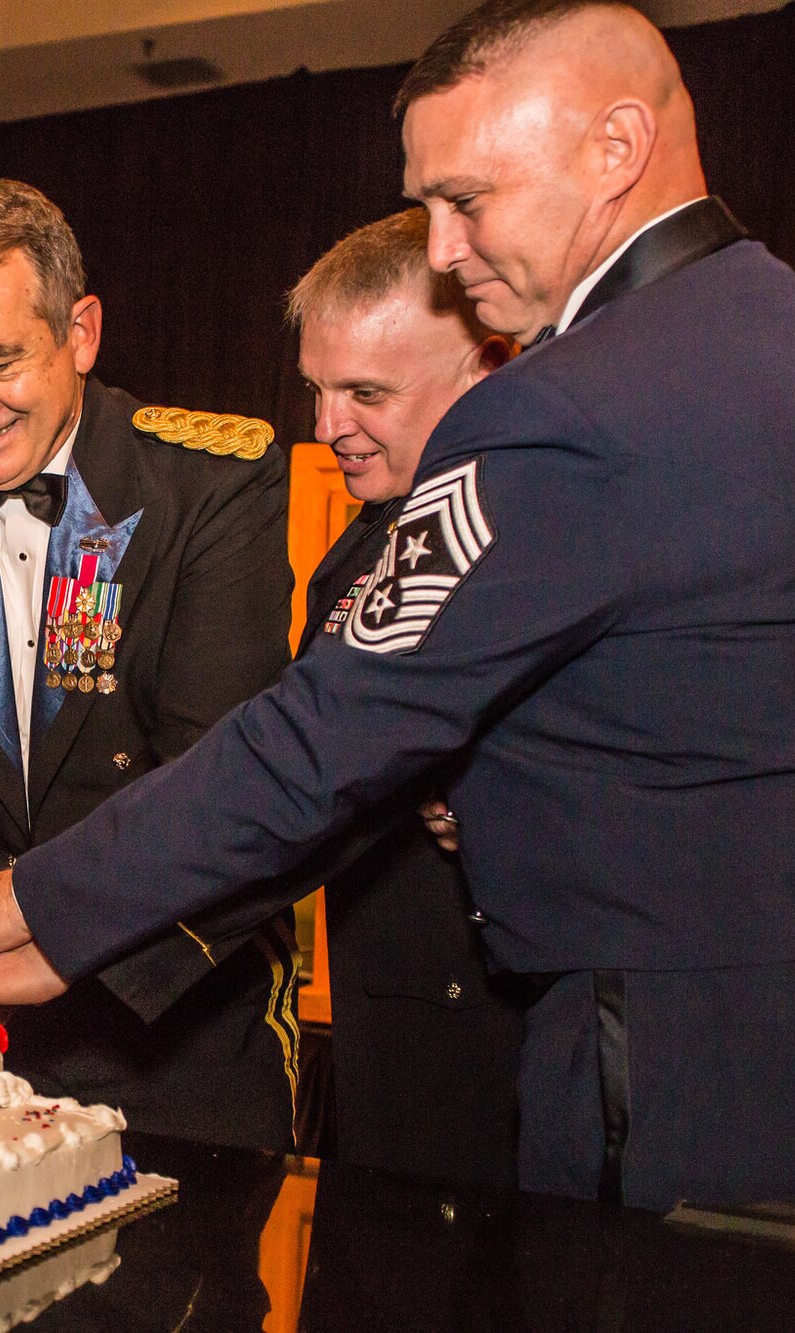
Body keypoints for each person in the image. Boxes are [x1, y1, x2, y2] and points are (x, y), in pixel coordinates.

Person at [0, 0, 795, 1213]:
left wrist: (25, 905)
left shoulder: (560, 406)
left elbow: (319, 739)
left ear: (614, 148)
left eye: (467, 199)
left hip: (671, 1052)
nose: (442, 248)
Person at [0, 178, 298, 1148]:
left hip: (172, 1012)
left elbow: (216, 782)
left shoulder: (207, 483)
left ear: (79, 333)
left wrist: (56, 935)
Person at [286, 207, 524, 1186]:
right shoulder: (353, 549)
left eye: (363, 392)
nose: (324, 426)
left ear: (483, 366)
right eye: (316, 389)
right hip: (385, 1045)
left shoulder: (533, 535)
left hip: (504, 1056)